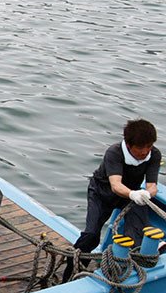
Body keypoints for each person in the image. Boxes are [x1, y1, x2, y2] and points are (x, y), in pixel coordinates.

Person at [63, 118, 161, 281]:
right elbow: (115, 185)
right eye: (140, 147)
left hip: (132, 196)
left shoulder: (154, 155)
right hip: (102, 194)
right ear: (129, 145)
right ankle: (72, 269)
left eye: (149, 146)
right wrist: (133, 194)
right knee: (91, 235)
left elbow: (152, 185)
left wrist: (147, 194)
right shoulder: (114, 152)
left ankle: (124, 273)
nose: (145, 151)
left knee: (136, 235)